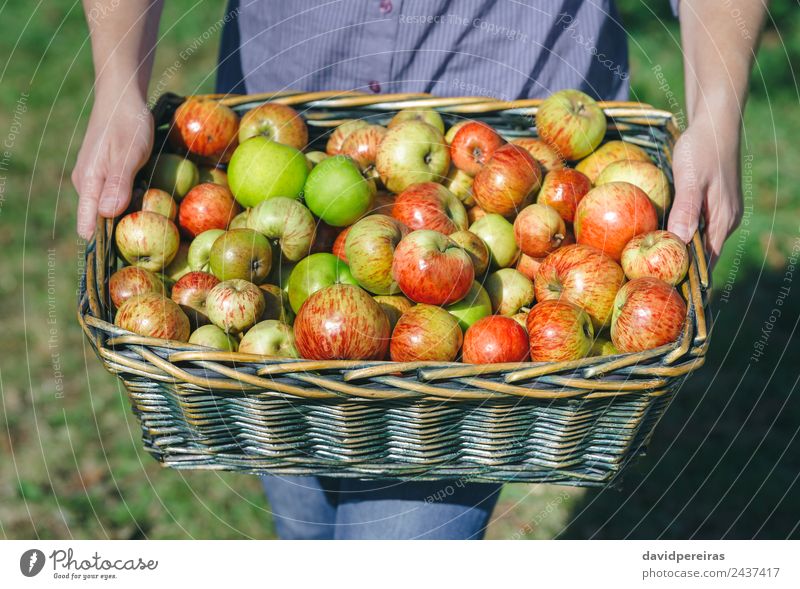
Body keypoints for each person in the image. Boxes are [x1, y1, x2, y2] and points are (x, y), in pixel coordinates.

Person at [72, 1, 766, 539]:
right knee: (307, 517)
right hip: (280, 132)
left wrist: (719, 112)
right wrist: (115, 82)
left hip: (518, 144)